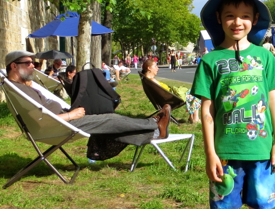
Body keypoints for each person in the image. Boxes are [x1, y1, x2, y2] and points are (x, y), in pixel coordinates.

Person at [192, 0, 275, 209]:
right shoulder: (210, 61)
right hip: (225, 153)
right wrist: (210, 154)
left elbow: (273, 100)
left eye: (245, 16)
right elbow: (207, 110)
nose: (237, 22)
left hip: (261, 151)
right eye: (230, 16)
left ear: (255, 19)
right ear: (219, 18)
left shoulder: (264, 56)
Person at [4, 51, 171, 144]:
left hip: (64, 117)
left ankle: (154, 133)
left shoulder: (24, 85)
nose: (33, 65)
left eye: (33, 62)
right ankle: (154, 123)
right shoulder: (19, 90)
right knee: (109, 119)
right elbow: (39, 119)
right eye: (28, 63)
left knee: (104, 116)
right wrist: (70, 115)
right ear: (14, 66)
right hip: (60, 125)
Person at [141, 58, 201, 124]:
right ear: (149, 68)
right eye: (155, 66)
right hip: (170, 97)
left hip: (167, 96)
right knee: (195, 93)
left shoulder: (148, 80)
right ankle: (195, 118)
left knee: (191, 93)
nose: (157, 68)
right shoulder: (152, 80)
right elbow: (163, 92)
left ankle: (191, 117)